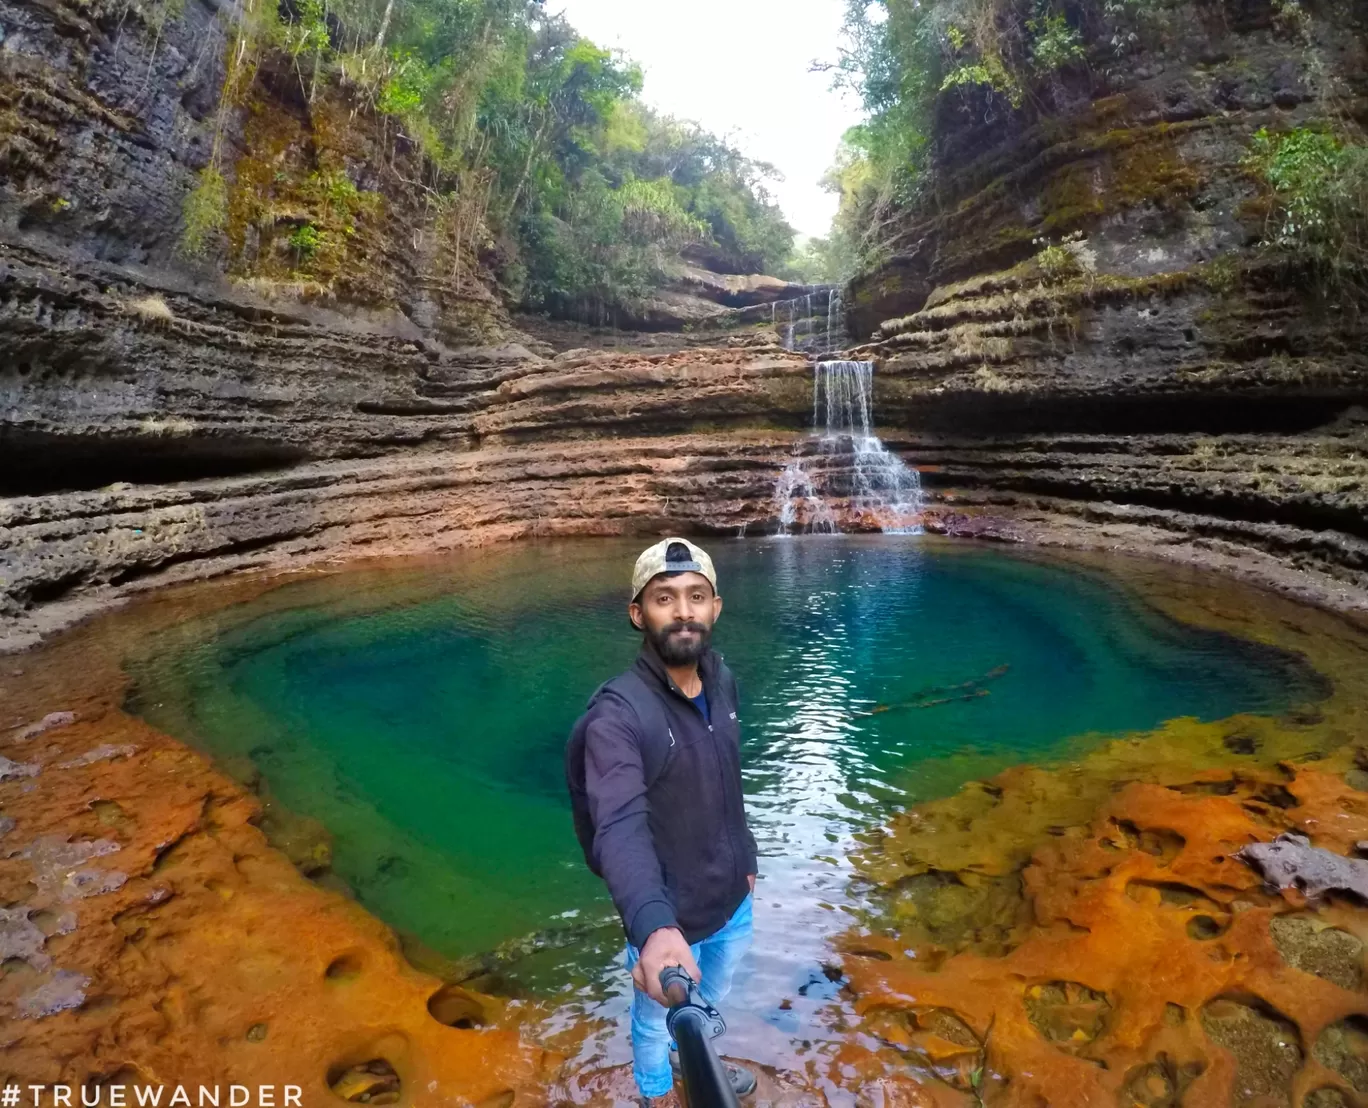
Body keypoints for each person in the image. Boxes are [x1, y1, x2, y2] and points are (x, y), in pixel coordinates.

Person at [573, 538, 759, 1107]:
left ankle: (693, 1057)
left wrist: (747, 861)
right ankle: (656, 1096)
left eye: (696, 596)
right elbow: (619, 825)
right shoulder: (618, 718)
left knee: (715, 994)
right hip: (670, 918)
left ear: (715, 608)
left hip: (733, 899)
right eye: (664, 598)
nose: (683, 610)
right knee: (655, 1021)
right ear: (638, 614)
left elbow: (727, 778)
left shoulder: (721, 678)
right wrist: (654, 928)